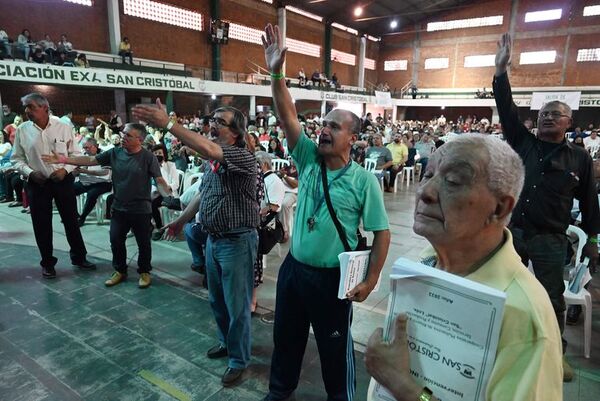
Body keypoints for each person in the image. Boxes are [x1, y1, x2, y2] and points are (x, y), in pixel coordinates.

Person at [365, 136, 562, 401]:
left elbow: (401, 382)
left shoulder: (523, 315)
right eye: (428, 174)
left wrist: (405, 388)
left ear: (500, 207)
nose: (425, 191)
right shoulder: (428, 259)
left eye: (453, 181)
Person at [261, 24, 391, 401]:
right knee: (286, 336)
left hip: (333, 280)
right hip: (294, 272)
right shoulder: (308, 159)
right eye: (323, 123)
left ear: (352, 138)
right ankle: (280, 391)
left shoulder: (363, 182)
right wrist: (276, 73)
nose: (324, 130)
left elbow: (382, 232)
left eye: (334, 126)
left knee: (335, 349)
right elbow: (287, 117)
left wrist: (370, 279)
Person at [493, 32, 600, 382]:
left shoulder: (580, 159)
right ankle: (499, 344)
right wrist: (500, 70)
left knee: (552, 300)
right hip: (513, 234)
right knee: (502, 291)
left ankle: (556, 356)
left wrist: (594, 240)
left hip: (551, 241)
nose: (547, 117)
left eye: (556, 114)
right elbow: (506, 107)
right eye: (543, 113)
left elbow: (588, 203)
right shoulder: (523, 142)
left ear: (570, 123)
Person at [132, 102, 260, 388]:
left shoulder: (242, 157)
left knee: (237, 304)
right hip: (213, 239)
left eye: (221, 121)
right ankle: (226, 343)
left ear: (237, 132)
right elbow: (203, 195)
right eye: (211, 118)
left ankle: (239, 360)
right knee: (216, 299)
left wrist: (168, 124)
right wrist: (180, 221)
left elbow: (212, 149)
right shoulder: (210, 161)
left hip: (237, 241)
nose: (213, 124)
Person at [42, 123, 173, 289]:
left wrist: (166, 192)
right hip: (119, 208)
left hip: (141, 210)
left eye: (128, 135)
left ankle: (144, 271)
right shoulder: (115, 153)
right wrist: (64, 159)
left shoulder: (148, 157)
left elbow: (158, 179)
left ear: (139, 139)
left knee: (143, 244)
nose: (122, 137)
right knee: (116, 241)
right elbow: (90, 160)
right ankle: (120, 270)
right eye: (123, 133)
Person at [11, 93, 96, 278]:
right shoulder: (23, 130)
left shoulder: (63, 127)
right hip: (37, 182)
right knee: (41, 224)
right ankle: (47, 263)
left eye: (31, 107)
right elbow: (16, 159)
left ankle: (79, 257)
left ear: (45, 108)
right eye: (25, 107)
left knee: (71, 220)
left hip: (62, 181)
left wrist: (65, 170)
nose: (27, 111)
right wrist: (30, 173)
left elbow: (76, 153)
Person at [72, 138, 112, 226]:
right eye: (84, 147)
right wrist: (75, 172)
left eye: (87, 147)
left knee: (91, 194)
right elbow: (76, 173)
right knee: (67, 191)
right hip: (86, 182)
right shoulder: (83, 155)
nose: (86, 149)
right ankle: (74, 215)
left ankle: (82, 217)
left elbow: (105, 173)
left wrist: (86, 171)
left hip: (102, 183)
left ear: (95, 146)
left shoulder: (104, 155)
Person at [150, 144, 180, 240]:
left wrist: (167, 188)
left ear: (164, 154)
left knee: (153, 204)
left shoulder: (170, 165)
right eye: (155, 153)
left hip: (169, 194)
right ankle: (149, 226)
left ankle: (160, 228)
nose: (157, 155)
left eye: (160, 153)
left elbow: (176, 183)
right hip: (156, 192)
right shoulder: (151, 166)